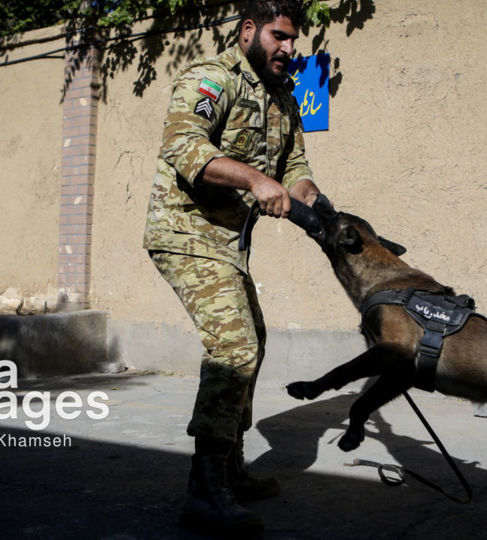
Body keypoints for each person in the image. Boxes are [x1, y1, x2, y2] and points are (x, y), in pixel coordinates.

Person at [142, 0, 322, 533]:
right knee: (234, 346)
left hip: (227, 244)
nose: (289, 49)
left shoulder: (282, 99)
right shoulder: (211, 78)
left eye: (293, 40)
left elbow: (295, 165)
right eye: (279, 36)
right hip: (183, 232)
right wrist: (253, 180)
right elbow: (184, 146)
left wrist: (308, 193)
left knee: (254, 340)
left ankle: (231, 468)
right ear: (249, 31)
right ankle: (204, 487)